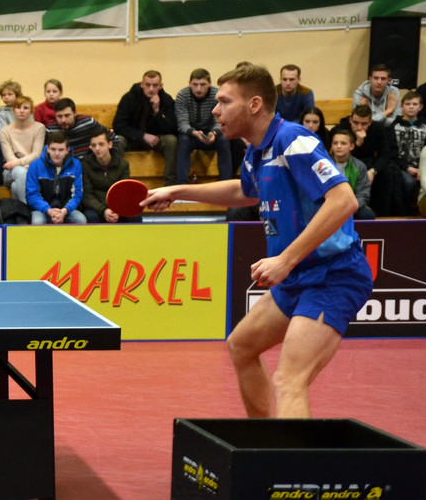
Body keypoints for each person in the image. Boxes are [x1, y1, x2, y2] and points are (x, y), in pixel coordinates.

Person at [142, 62, 368, 419]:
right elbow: (244, 191)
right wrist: (178, 191)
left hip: (332, 275)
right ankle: (262, 439)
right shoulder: (257, 150)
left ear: (254, 104)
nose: (215, 111)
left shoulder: (293, 140)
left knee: (289, 380)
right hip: (296, 277)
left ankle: (287, 458)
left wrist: (285, 259)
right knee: (241, 346)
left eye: (224, 102)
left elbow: (344, 201)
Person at [335, 104, 402, 215]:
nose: (359, 127)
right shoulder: (341, 129)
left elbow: (385, 154)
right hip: (349, 162)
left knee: (387, 173)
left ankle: (383, 215)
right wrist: (358, 142)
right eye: (356, 123)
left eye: (364, 124)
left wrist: (373, 171)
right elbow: (340, 154)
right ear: (350, 120)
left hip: (371, 163)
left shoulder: (378, 129)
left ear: (370, 122)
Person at [114, 70, 179, 182]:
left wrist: (157, 111)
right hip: (133, 138)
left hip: (156, 139)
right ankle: (117, 181)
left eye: (155, 85)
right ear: (142, 84)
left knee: (171, 140)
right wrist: (142, 136)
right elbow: (118, 125)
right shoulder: (129, 98)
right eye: (147, 85)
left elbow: (172, 128)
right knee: (118, 140)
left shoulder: (166, 100)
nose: (151, 89)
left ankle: (170, 183)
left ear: (161, 86)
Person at [176, 68, 232, 181]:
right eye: (195, 84)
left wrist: (214, 133)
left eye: (203, 85)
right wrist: (194, 133)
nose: (198, 89)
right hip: (191, 134)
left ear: (209, 84)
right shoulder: (183, 95)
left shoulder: (217, 95)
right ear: (189, 84)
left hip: (212, 133)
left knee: (224, 140)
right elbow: (182, 123)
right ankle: (181, 184)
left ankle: (226, 182)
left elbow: (220, 120)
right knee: (183, 140)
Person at [23, 130, 86, 225]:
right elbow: (32, 195)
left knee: (81, 220)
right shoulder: (35, 165)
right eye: (53, 149)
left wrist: (65, 210)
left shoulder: (76, 165)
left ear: (67, 150)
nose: (57, 153)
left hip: (66, 209)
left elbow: (77, 194)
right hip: (41, 209)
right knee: (38, 221)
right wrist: (48, 210)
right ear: (47, 148)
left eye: (61, 150)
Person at [80, 127, 132, 224]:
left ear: (110, 144)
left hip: (117, 206)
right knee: (90, 216)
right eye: (93, 145)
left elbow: (123, 192)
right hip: (96, 208)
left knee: (134, 215)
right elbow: (87, 195)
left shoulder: (123, 165)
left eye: (101, 144)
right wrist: (104, 210)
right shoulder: (84, 165)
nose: (97, 148)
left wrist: (115, 210)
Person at [0, 95, 45, 202]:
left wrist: (23, 164)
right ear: (13, 111)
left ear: (31, 112)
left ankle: (22, 209)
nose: (21, 111)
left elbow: (37, 153)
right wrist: (23, 165)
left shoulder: (39, 128)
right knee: (21, 172)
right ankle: (30, 208)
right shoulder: (4, 131)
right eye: (18, 107)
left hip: (33, 167)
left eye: (25, 108)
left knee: (15, 187)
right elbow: (9, 157)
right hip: (11, 170)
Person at [391, 91, 426, 207]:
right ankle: (406, 212)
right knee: (409, 182)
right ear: (401, 106)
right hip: (401, 167)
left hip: (423, 166)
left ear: (421, 107)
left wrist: (422, 168)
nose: (411, 107)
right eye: (408, 104)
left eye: (415, 104)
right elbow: (391, 152)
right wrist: (407, 168)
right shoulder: (394, 126)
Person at [326, 128, 373, 220]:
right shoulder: (324, 165)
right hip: (329, 206)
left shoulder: (359, 166)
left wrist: (351, 207)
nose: (338, 146)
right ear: (331, 146)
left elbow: (363, 193)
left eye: (343, 143)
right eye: (335, 143)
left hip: (352, 206)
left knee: (368, 215)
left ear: (351, 146)